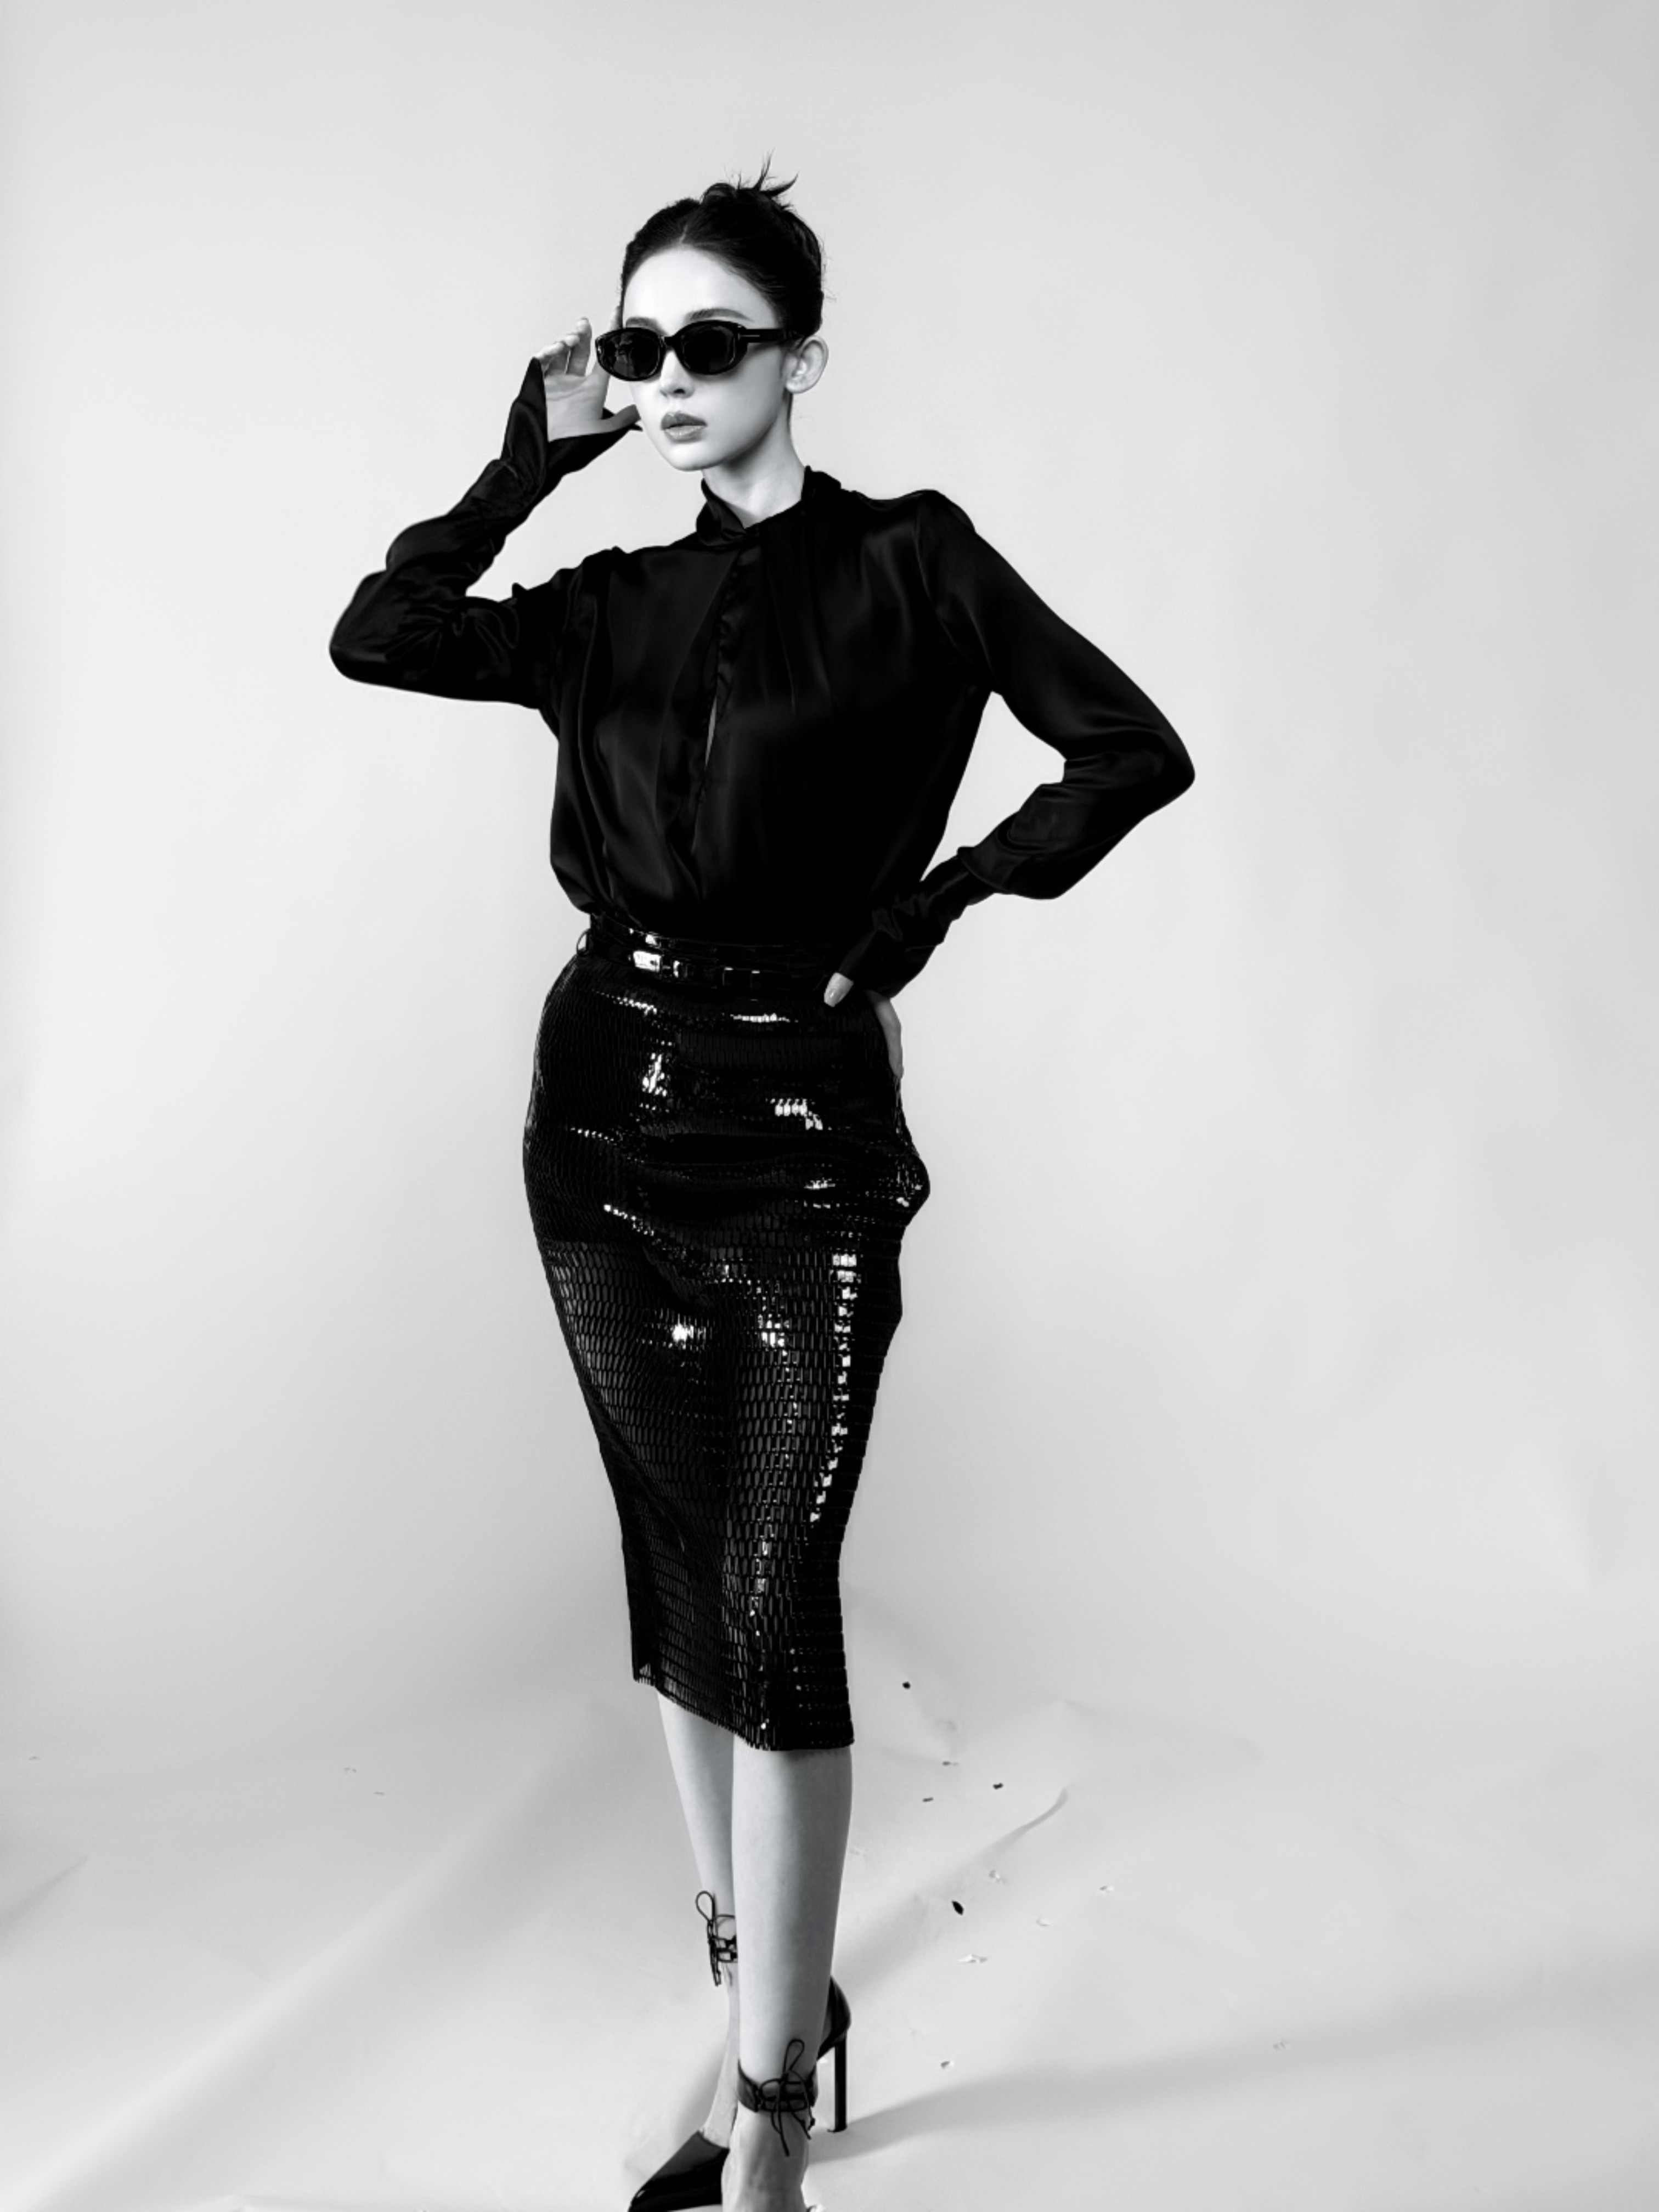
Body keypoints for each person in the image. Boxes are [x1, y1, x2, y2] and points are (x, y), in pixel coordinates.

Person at [330, 165, 1192, 2212]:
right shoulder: (607, 601)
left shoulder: (914, 563)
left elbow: (1126, 748)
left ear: (803, 357)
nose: (668, 380)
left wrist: (921, 919)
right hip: (602, 1115)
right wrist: (524, 454)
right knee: (681, 1566)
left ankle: (770, 2112)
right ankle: (761, 2005)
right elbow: (381, 635)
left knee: (776, 1594)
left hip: (801, 1127)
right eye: (637, 349)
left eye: (709, 343)